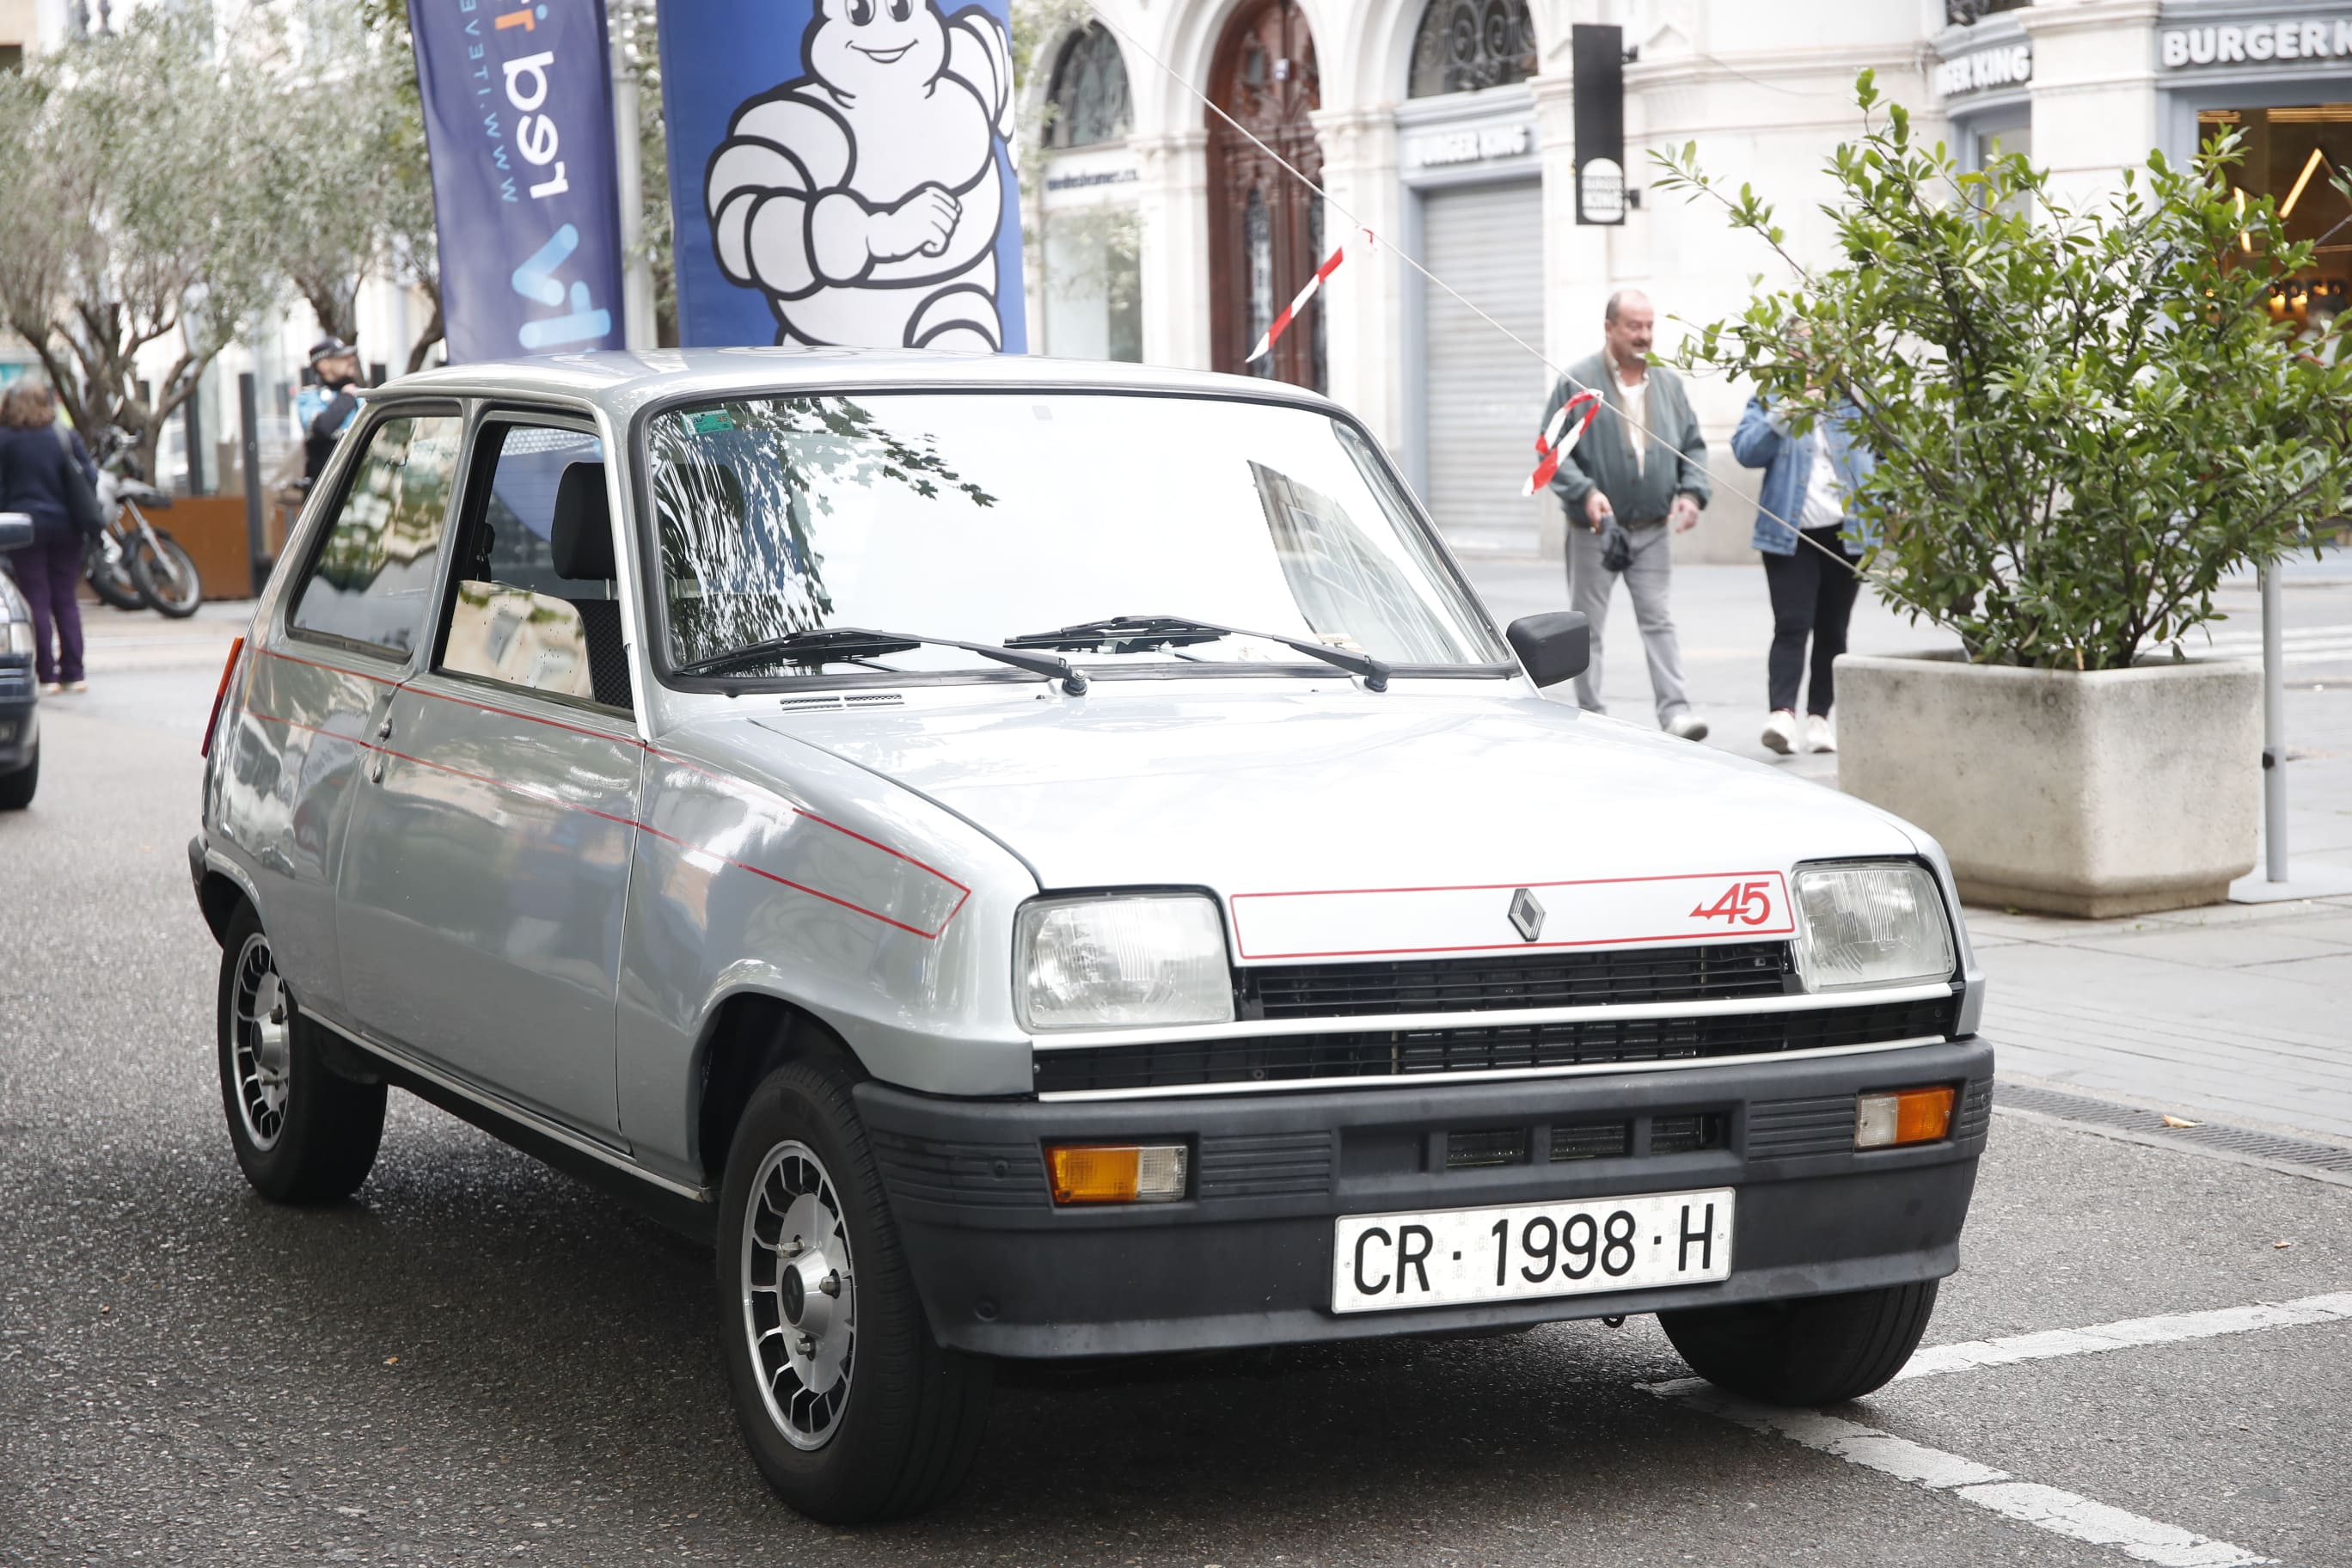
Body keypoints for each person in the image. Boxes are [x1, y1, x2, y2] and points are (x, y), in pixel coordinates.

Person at [1539, 289, 1712, 740]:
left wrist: (1692, 494)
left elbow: (1692, 446)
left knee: (1658, 618)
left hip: (1653, 527)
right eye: (1634, 326)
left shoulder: (1669, 385)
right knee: (1587, 627)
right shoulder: (1577, 381)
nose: (1644, 335)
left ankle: (1676, 712)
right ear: (1610, 328)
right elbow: (1552, 451)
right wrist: (1586, 493)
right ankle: (1590, 713)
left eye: (1649, 325)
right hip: (1595, 528)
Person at [1730, 391, 1875, 755]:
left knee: (1834, 629)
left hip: (1849, 533)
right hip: (1788, 533)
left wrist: (1887, 506)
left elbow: (1890, 453)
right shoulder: (1772, 396)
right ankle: (1781, 714)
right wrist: (1784, 414)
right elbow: (1746, 452)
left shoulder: (1856, 396)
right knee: (1792, 624)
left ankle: (1819, 718)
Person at [0, 380, 99, 695]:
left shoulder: (5, 439)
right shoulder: (63, 435)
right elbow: (90, 476)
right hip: (67, 525)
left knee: (35, 598)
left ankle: (46, 675)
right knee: (65, 598)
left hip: (24, 527)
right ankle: (74, 672)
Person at [300, 335, 365, 485]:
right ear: (324, 365)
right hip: (328, 491)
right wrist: (347, 397)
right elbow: (322, 427)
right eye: (343, 357)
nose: (351, 360)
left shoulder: (361, 394)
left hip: (360, 485)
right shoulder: (309, 398)